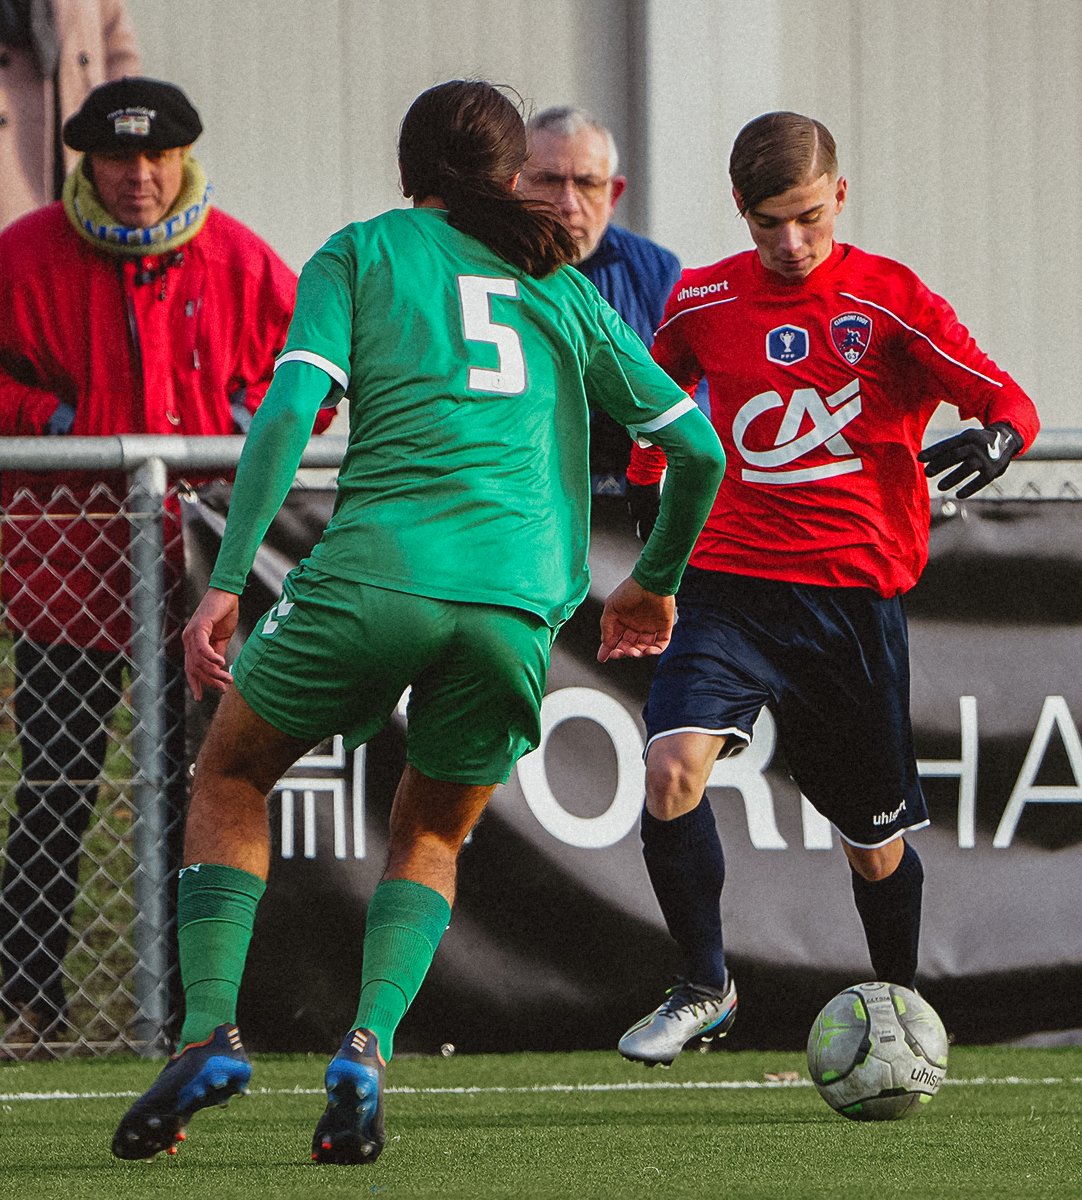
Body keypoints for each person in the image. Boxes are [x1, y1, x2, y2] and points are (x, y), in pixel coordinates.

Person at [109, 80, 723, 1164]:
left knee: (232, 775)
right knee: (431, 829)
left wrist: (227, 579)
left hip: (374, 579)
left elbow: (293, 410)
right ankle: (366, 1045)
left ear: (408, 169)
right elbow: (699, 452)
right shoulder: (563, 287)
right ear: (507, 176)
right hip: (516, 600)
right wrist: (654, 581)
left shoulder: (363, 251)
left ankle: (209, 1029)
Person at [615, 111, 1039, 1066]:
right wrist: (650, 494)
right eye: (771, 223)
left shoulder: (888, 302)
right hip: (726, 586)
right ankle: (702, 985)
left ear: (839, 196)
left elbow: (1005, 396)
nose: (793, 242)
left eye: (809, 216)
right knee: (672, 767)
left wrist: (999, 438)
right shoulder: (703, 298)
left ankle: (901, 1016)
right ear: (742, 213)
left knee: (871, 841)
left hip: (848, 604)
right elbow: (651, 398)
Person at [0, 76, 303, 1059]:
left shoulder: (243, 258)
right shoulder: (26, 254)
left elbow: (309, 373)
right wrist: (47, 420)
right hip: (62, 568)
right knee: (53, 787)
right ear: (87, 163)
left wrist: (257, 430)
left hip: (207, 572)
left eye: (156, 157)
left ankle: (197, 1008)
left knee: (207, 787)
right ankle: (24, 1002)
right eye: (118, 160)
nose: (139, 178)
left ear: (183, 158)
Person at [517, 105, 681, 532]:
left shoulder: (654, 272)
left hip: (626, 512)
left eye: (587, 183)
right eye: (549, 180)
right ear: (512, 184)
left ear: (614, 194)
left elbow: (687, 409)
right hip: (516, 511)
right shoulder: (477, 266)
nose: (568, 204)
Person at [0, 0, 141, 229]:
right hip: (12, 128)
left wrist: (121, 124)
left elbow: (120, 51)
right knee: (19, 242)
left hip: (79, 118)